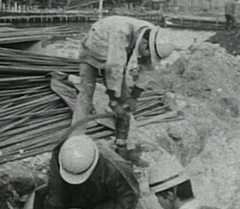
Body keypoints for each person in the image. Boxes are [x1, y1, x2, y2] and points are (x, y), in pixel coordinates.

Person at [72, 16, 179, 158]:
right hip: (94, 47)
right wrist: (113, 102)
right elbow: (113, 69)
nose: (146, 58)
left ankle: (124, 147)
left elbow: (147, 69)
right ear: (144, 43)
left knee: (124, 101)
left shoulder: (152, 35)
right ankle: (75, 140)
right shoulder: (122, 32)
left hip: (117, 52)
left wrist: (134, 97)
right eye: (148, 54)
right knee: (86, 94)